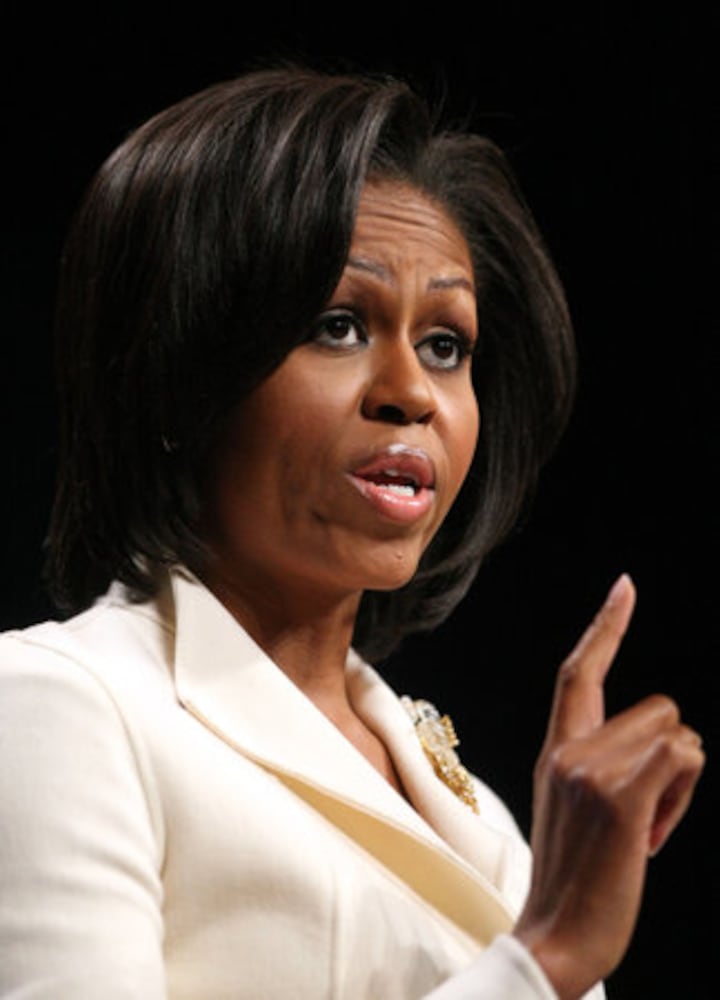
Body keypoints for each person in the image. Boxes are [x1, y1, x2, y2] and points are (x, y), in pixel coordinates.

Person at [0, 68, 703, 999]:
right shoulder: (61, 706)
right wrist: (544, 958)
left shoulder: (486, 823)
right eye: (338, 326)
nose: (411, 392)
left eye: (445, 345)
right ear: (179, 378)